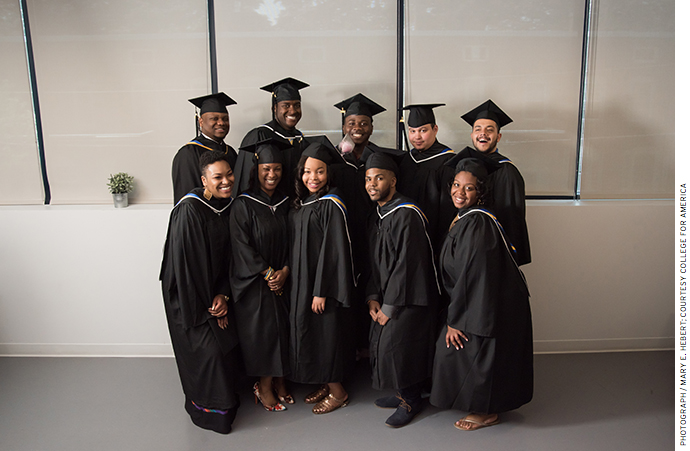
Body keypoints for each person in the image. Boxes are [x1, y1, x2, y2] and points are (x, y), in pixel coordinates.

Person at [429, 150, 533, 431]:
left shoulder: (477, 222)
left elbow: (472, 276)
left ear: (481, 192)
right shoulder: (465, 217)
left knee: (468, 349)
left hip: (488, 303)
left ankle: (487, 412)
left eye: (469, 187)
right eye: (456, 185)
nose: (460, 192)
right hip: (481, 299)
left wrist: (455, 319)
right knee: (461, 351)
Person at [160, 150, 239, 434]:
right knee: (210, 351)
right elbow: (188, 270)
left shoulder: (227, 206)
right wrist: (211, 309)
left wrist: (224, 295)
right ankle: (209, 411)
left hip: (215, 293)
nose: (226, 181)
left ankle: (229, 401)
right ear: (204, 180)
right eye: (218, 177)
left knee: (232, 346)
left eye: (229, 174)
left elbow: (230, 259)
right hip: (188, 297)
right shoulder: (190, 210)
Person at [364, 152, 439, 428]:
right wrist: (373, 295)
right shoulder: (381, 213)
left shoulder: (406, 213)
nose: (372, 184)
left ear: (393, 181)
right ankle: (403, 392)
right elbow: (375, 260)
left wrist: (389, 306)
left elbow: (407, 265)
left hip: (409, 298)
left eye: (379, 178)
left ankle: (411, 400)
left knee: (397, 348)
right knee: (394, 348)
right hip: (389, 295)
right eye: (368, 179)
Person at [288, 139, 356, 414]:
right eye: (306, 171)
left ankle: (338, 391)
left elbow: (334, 251)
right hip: (303, 283)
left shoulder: (331, 204)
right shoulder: (306, 202)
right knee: (312, 335)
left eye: (319, 171)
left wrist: (321, 290)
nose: (312, 177)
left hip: (319, 287)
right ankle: (326, 383)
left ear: (329, 174)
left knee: (326, 337)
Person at [330, 93, 400, 354]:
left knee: (373, 284)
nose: (357, 128)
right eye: (351, 123)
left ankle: (370, 348)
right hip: (344, 236)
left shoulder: (380, 159)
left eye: (363, 123)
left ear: (372, 127)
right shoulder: (335, 160)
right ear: (344, 126)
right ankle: (350, 349)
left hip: (374, 234)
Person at [229, 136, 292, 412]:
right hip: (255, 283)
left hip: (283, 278)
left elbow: (296, 241)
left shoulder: (287, 202)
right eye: (266, 169)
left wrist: (286, 271)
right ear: (256, 169)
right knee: (265, 333)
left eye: (277, 168)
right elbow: (241, 245)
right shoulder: (243, 204)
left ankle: (280, 381)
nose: (272, 174)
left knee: (284, 331)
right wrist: (269, 274)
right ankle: (263, 385)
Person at [461, 99, 531, 266]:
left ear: (498, 137)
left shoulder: (507, 171)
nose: (483, 134)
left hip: (494, 250)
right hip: (468, 246)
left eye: (489, 130)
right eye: (478, 129)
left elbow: (512, 219)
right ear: (472, 135)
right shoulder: (465, 168)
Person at [232, 77, 310, 198]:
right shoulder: (259, 136)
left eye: (297, 105)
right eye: (286, 105)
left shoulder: (301, 139)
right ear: (275, 108)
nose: (293, 111)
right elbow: (246, 180)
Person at [397, 103, 456, 254]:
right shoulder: (406, 160)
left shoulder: (448, 161)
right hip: (406, 232)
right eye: (412, 131)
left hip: (435, 234)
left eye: (423, 130)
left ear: (435, 129)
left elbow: (448, 208)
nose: (417, 136)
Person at [172, 92, 238, 204]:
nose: (221, 123)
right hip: (204, 218)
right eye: (214, 119)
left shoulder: (230, 152)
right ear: (201, 122)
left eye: (225, 119)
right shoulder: (188, 154)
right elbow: (187, 198)